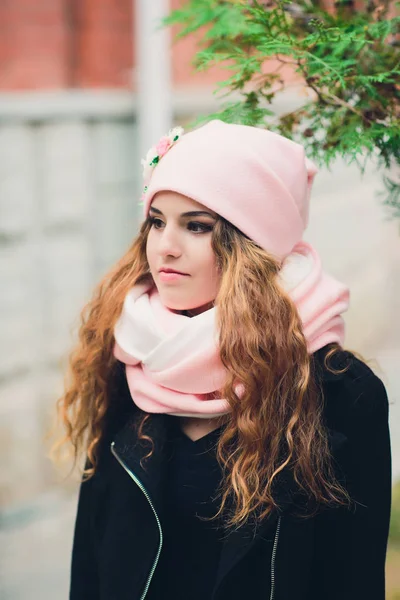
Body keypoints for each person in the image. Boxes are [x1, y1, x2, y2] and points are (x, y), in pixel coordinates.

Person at [55, 120, 391, 600]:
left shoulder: (339, 391)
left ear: (252, 246)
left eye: (196, 225)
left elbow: (352, 579)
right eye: (157, 220)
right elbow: (90, 556)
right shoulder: (131, 354)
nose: (165, 245)